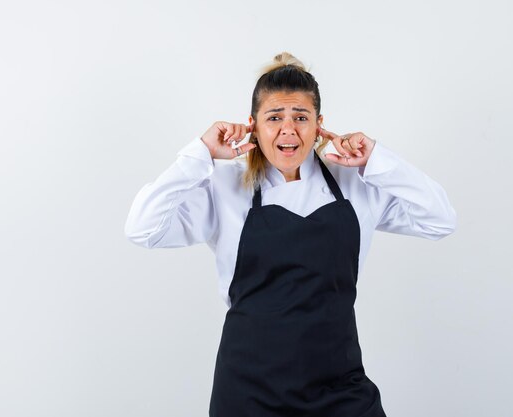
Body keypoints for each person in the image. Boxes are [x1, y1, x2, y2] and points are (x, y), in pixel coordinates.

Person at [124, 52, 456, 416]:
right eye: (274, 118)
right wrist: (200, 153)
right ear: (253, 125)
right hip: (249, 394)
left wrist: (377, 159)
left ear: (319, 126)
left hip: (340, 391)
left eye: (301, 117)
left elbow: (439, 219)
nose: (288, 129)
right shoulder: (225, 188)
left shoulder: (354, 184)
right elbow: (143, 228)